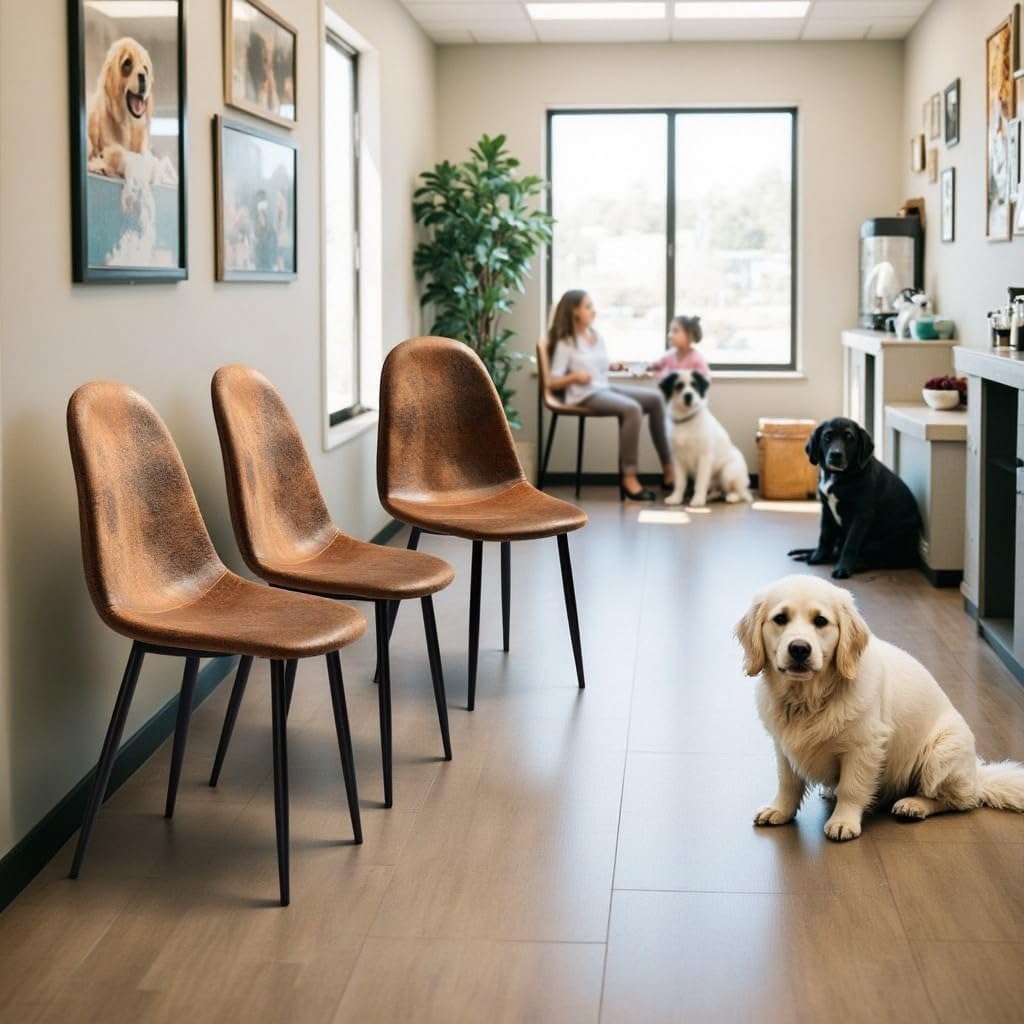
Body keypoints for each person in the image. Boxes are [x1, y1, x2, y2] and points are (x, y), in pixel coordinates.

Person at [547, 290, 674, 501]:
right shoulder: (566, 343)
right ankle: (629, 477)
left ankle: (669, 471)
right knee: (632, 409)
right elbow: (552, 381)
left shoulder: (596, 336)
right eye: (588, 306)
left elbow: (598, 364)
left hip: (602, 388)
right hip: (584, 395)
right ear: (574, 311)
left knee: (655, 399)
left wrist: (612, 366)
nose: (594, 311)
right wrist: (575, 377)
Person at [648, 315, 711, 379]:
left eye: (675, 331)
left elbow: (704, 379)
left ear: (689, 336)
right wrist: (649, 368)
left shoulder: (697, 359)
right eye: (670, 331)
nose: (669, 335)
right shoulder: (669, 355)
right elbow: (656, 366)